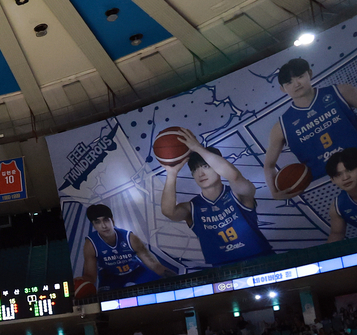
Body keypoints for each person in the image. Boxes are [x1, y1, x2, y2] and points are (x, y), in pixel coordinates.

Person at [161, 128, 272, 265]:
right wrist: (171, 173)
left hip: (261, 259)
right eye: (195, 169)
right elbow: (168, 211)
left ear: (217, 167)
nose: (200, 173)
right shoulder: (192, 207)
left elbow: (234, 176)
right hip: (222, 269)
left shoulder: (238, 192)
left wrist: (198, 148)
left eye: (206, 166)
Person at [263, 58, 357, 191]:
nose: (296, 84)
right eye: (289, 82)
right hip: (326, 184)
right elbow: (269, 166)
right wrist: (274, 192)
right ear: (283, 89)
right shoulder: (281, 126)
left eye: (300, 76)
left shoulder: (340, 92)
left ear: (310, 74)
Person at [80, 204, 175, 291]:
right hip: (110, 276)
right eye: (98, 222)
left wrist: (175, 277)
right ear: (94, 226)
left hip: (136, 271)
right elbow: (90, 276)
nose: (104, 226)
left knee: (160, 288)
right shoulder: (91, 244)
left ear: (112, 220)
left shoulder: (130, 238)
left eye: (106, 220)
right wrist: (79, 285)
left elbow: (154, 265)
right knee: (107, 301)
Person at [324, 147, 357, 242]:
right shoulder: (338, 206)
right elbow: (337, 234)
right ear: (332, 180)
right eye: (338, 175)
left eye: (349, 170)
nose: (345, 177)